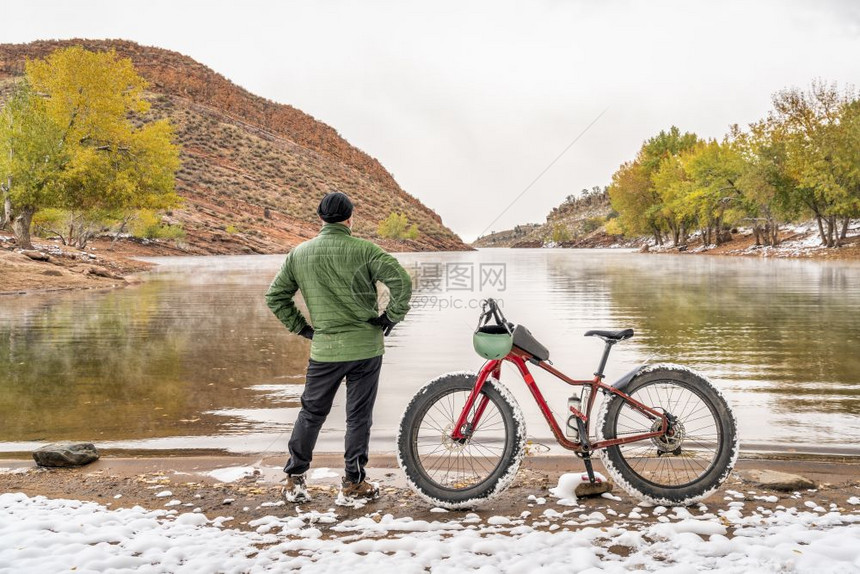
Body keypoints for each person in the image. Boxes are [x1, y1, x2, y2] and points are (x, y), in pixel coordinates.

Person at [265, 191, 412, 505]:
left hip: (325, 350)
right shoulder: (365, 250)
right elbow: (401, 282)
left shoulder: (299, 254)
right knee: (358, 417)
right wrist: (391, 317)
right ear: (350, 218)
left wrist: (303, 328)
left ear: (320, 218)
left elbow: (275, 297)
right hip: (365, 349)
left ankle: (294, 479)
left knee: (311, 413)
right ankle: (353, 482)